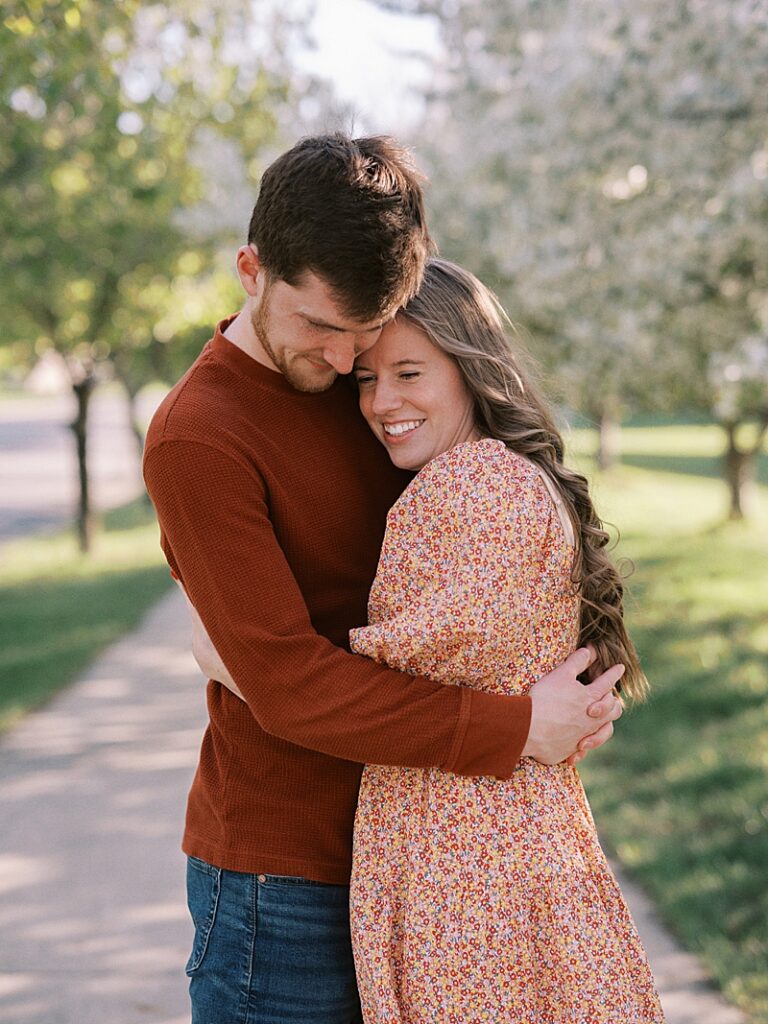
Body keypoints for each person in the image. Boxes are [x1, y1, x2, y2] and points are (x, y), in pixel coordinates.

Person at [143, 133, 623, 1024]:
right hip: (284, 882)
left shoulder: (373, 375)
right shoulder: (198, 438)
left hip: (430, 861)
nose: (343, 367)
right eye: (321, 328)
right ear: (251, 270)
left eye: (367, 339)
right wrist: (516, 727)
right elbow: (287, 686)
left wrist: (570, 685)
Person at [347, 258, 664, 1022]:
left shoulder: (469, 485)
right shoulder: (510, 475)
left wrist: (232, 650)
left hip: (468, 867)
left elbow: (375, 674)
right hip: (508, 843)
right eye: (364, 378)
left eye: (409, 373)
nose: (382, 401)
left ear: (471, 368)